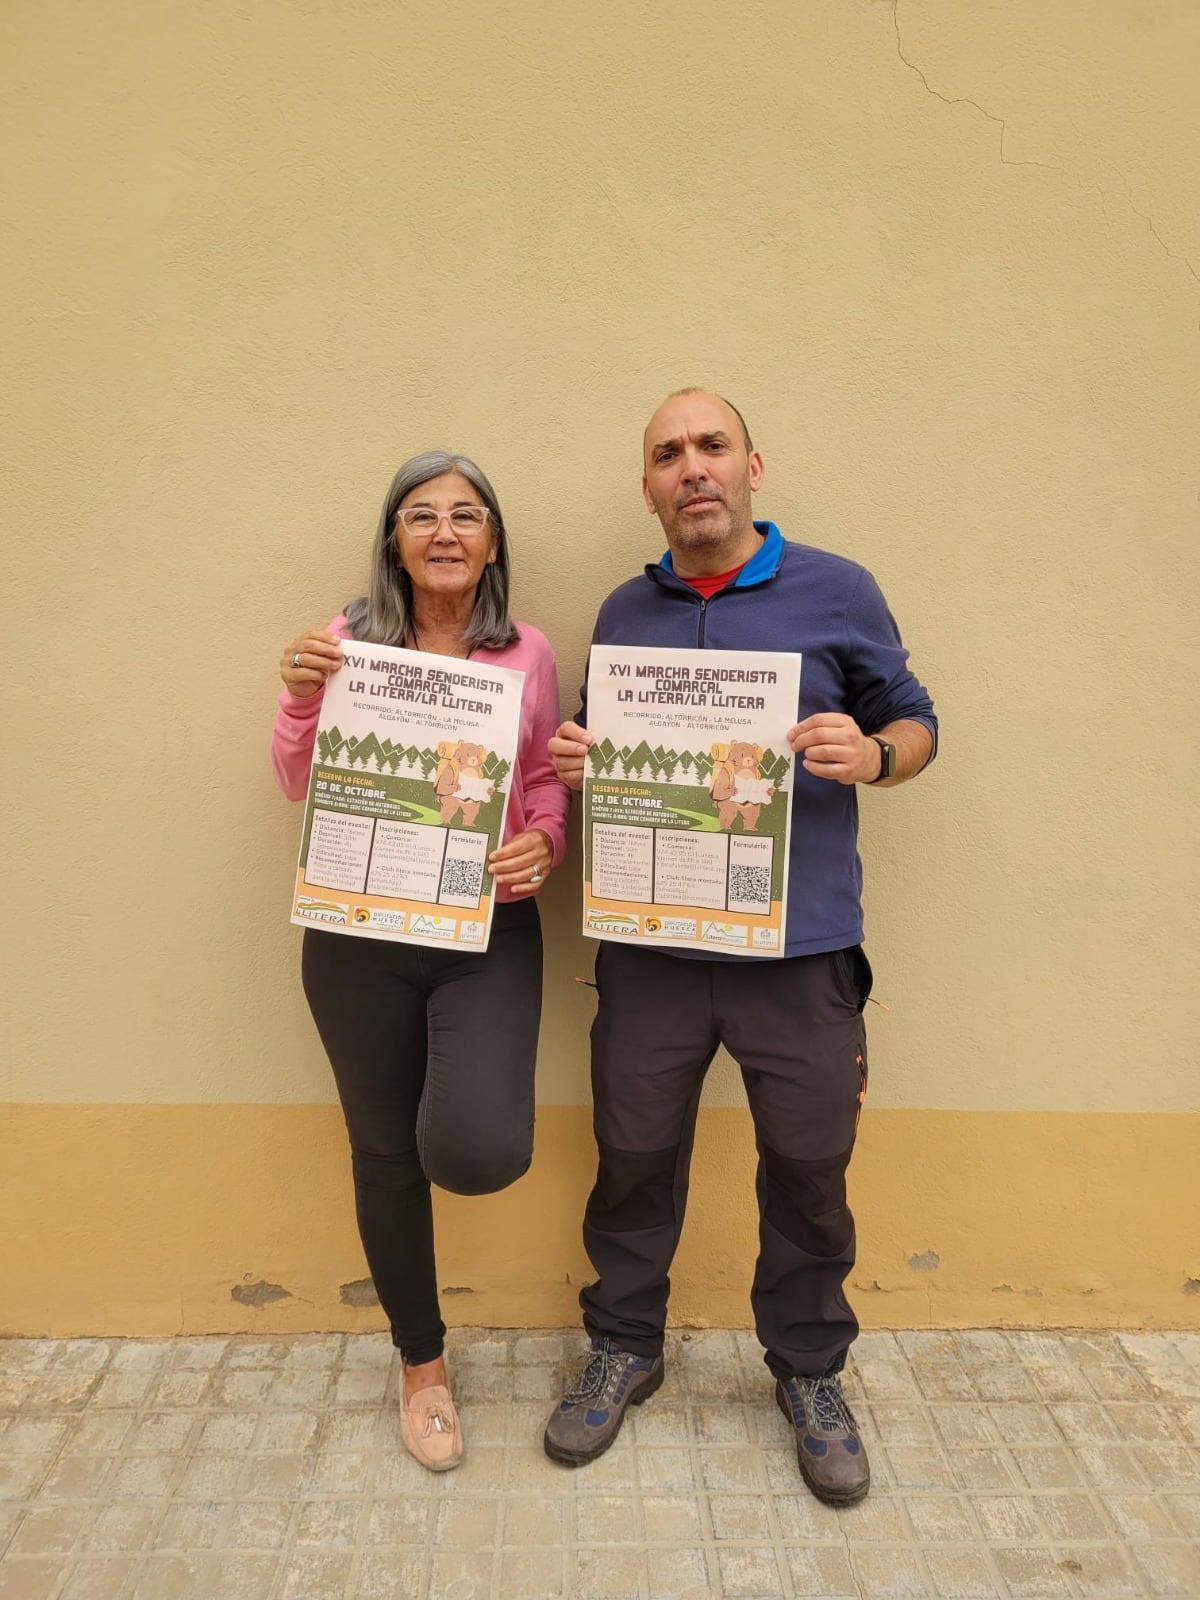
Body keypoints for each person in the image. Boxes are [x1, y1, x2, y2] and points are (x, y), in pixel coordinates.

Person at [543, 391, 938, 1506]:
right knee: (631, 1155)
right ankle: (625, 1345)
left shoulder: (837, 588)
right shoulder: (625, 609)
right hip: (655, 951)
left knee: (811, 1172)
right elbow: (608, 753)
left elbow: (916, 719)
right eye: (668, 454)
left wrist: (873, 752)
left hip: (802, 952)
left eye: (711, 446)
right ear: (649, 486)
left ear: (754, 465)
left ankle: (809, 1371)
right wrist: (582, 762)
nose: (692, 468)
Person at [272, 452, 569, 1472]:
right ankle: (422, 1364)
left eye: (467, 514)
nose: (445, 531)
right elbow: (295, 779)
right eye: (421, 515)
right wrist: (302, 696)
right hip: (358, 933)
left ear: (492, 541)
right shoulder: (347, 642)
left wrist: (547, 837)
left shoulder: (527, 652)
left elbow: (538, 782)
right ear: (394, 541)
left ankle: (426, 1340)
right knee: (382, 1152)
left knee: (475, 1148)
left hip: (486, 932)